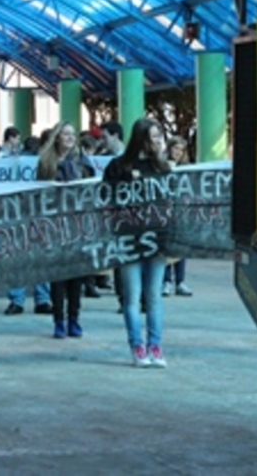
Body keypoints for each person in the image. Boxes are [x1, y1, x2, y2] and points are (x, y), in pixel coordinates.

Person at [103, 118, 171, 368]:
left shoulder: (162, 166)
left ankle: (156, 345)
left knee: (153, 296)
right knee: (132, 297)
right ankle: (137, 346)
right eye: (153, 136)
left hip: (157, 240)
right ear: (141, 138)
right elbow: (105, 199)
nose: (157, 141)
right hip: (128, 240)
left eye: (158, 136)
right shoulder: (118, 166)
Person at [36, 122, 93, 338]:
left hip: (78, 226)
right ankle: (59, 320)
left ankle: (74, 320)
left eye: (72, 134)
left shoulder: (83, 163)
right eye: (65, 134)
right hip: (54, 226)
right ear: (56, 137)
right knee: (57, 276)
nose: (70, 138)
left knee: (75, 277)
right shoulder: (46, 162)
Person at [162, 135, 193, 298]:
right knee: (167, 247)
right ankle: (166, 281)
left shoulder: (186, 167)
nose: (178, 152)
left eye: (181, 149)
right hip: (165, 211)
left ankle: (180, 281)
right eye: (175, 148)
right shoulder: (161, 164)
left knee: (181, 247)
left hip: (180, 211)